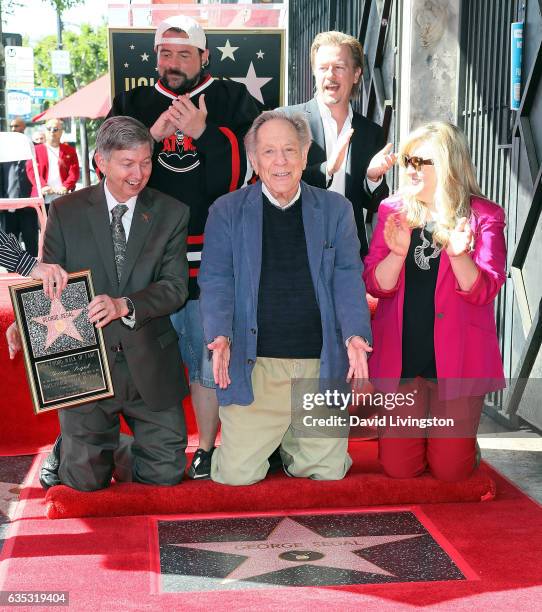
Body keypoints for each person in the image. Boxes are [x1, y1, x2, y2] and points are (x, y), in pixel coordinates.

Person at [108, 14, 260, 479]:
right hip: (143, 259)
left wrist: (206, 134)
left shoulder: (235, 100)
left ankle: (207, 448)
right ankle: (131, 445)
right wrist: (149, 137)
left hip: (210, 259)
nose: (173, 64)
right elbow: (112, 174)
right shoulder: (133, 101)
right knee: (139, 355)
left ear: (204, 57)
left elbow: (246, 178)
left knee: (206, 356)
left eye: (184, 54)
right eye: (165, 54)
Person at [198, 110, 373, 486]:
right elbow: (215, 279)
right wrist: (220, 334)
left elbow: (347, 277)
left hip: (317, 364)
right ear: (255, 160)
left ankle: (292, 443)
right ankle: (274, 439)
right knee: (236, 477)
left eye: (290, 150)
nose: (280, 162)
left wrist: (356, 335)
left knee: (326, 473)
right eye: (269, 152)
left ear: (305, 155)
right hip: (255, 365)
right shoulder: (227, 211)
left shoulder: (335, 210)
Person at [34, 116, 190, 491]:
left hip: (149, 358)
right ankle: (74, 449)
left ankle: (110, 448)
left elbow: (174, 288)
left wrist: (125, 305)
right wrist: (22, 324)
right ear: (101, 163)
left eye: (146, 162)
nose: (140, 174)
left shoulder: (172, 213)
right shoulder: (65, 212)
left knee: (165, 475)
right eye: (128, 163)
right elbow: (49, 285)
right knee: (84, 483)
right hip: (86, 360)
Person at [363, 121, 507, 482]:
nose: (409, 168)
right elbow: (374, 285)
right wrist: (396, 254)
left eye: (420, 161)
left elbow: (485, 290)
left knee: (450, 472)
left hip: (457, 361)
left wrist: (460, 256)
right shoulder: (391, 211)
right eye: (407, 159)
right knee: (399, 470)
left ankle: (462, 446)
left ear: (448, 165)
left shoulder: (485, 216)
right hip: (402, 360)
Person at [279, 31, 395, 257]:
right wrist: (327, 169)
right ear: (314, 72)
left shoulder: (371, 132)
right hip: (295, 252)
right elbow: (276, 183)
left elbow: (375, 205)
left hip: (349, 254)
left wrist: (372, 179)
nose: (330, 75)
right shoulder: (286, 121)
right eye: (323, 68)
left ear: (356, 74)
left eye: (339, 67)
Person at [0, 117, 38, 255]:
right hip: (9, 208)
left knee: (31, 244)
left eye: (16, 126)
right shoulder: (4, 151)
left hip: (29, 206)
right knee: (10, 247)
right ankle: (14, 275)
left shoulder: (32, 148)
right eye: (11, 126)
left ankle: (32, 276)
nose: (13, 129)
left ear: (24, 128)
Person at [26, 118, 79, 207]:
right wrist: (43, 186)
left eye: (55, 129)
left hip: (63, 198)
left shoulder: (70, 151)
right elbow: (31, 171)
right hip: (42, 198)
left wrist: (66, 186)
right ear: (45, 131)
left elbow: (74, 172)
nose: (52, 132)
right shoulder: (35, 150)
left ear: (61, 132)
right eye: (48, 129)